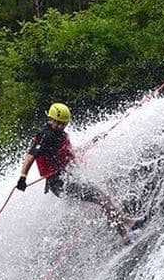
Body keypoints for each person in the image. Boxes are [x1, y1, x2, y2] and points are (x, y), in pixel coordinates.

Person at [16, 102, 142, 238]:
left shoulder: (61, 135)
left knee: (103, 198)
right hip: (58, 184)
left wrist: (93, 141)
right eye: (58, 123)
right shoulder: (45, 136)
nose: (61, 126)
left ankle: (126, 233)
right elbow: (31, 156)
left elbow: (72, 153)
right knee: (102, 198)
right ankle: (128, 226)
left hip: (66, 179)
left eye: (64, 124)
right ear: (50, 119)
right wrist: (23, 177)